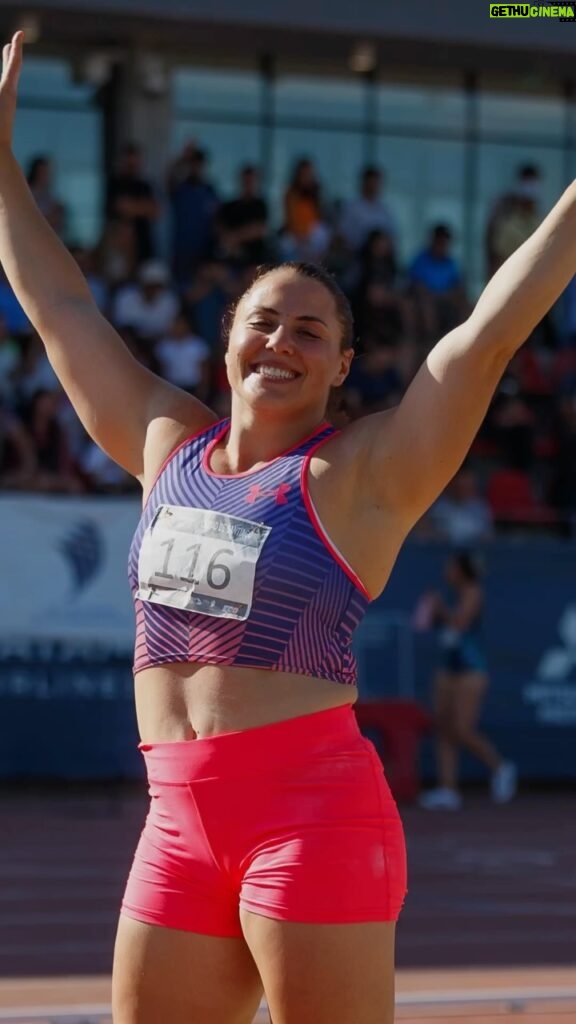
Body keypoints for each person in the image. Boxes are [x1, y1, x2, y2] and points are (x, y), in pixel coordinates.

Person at [2, 31, 576, 1023]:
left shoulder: (362, 472)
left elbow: (487, 335)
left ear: (344, 365)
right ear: (227, 336)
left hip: (313, 820)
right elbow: (58, 306)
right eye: (264, 319)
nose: (282, 341)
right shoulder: (163, 441)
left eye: (312, 330)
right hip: (174, 825)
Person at [416, 553, 517, 811]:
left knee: (462, 728)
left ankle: (501, 767)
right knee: (443, 726)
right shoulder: (445, 593)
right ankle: (448, 789)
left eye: (451, 566)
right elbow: (424, 624)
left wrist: (439, 610)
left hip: (471, 669)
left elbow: (460, 623)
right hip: (448, 667)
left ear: (462, 570)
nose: (447, 570)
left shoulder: (473, 591)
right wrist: (430, 612)